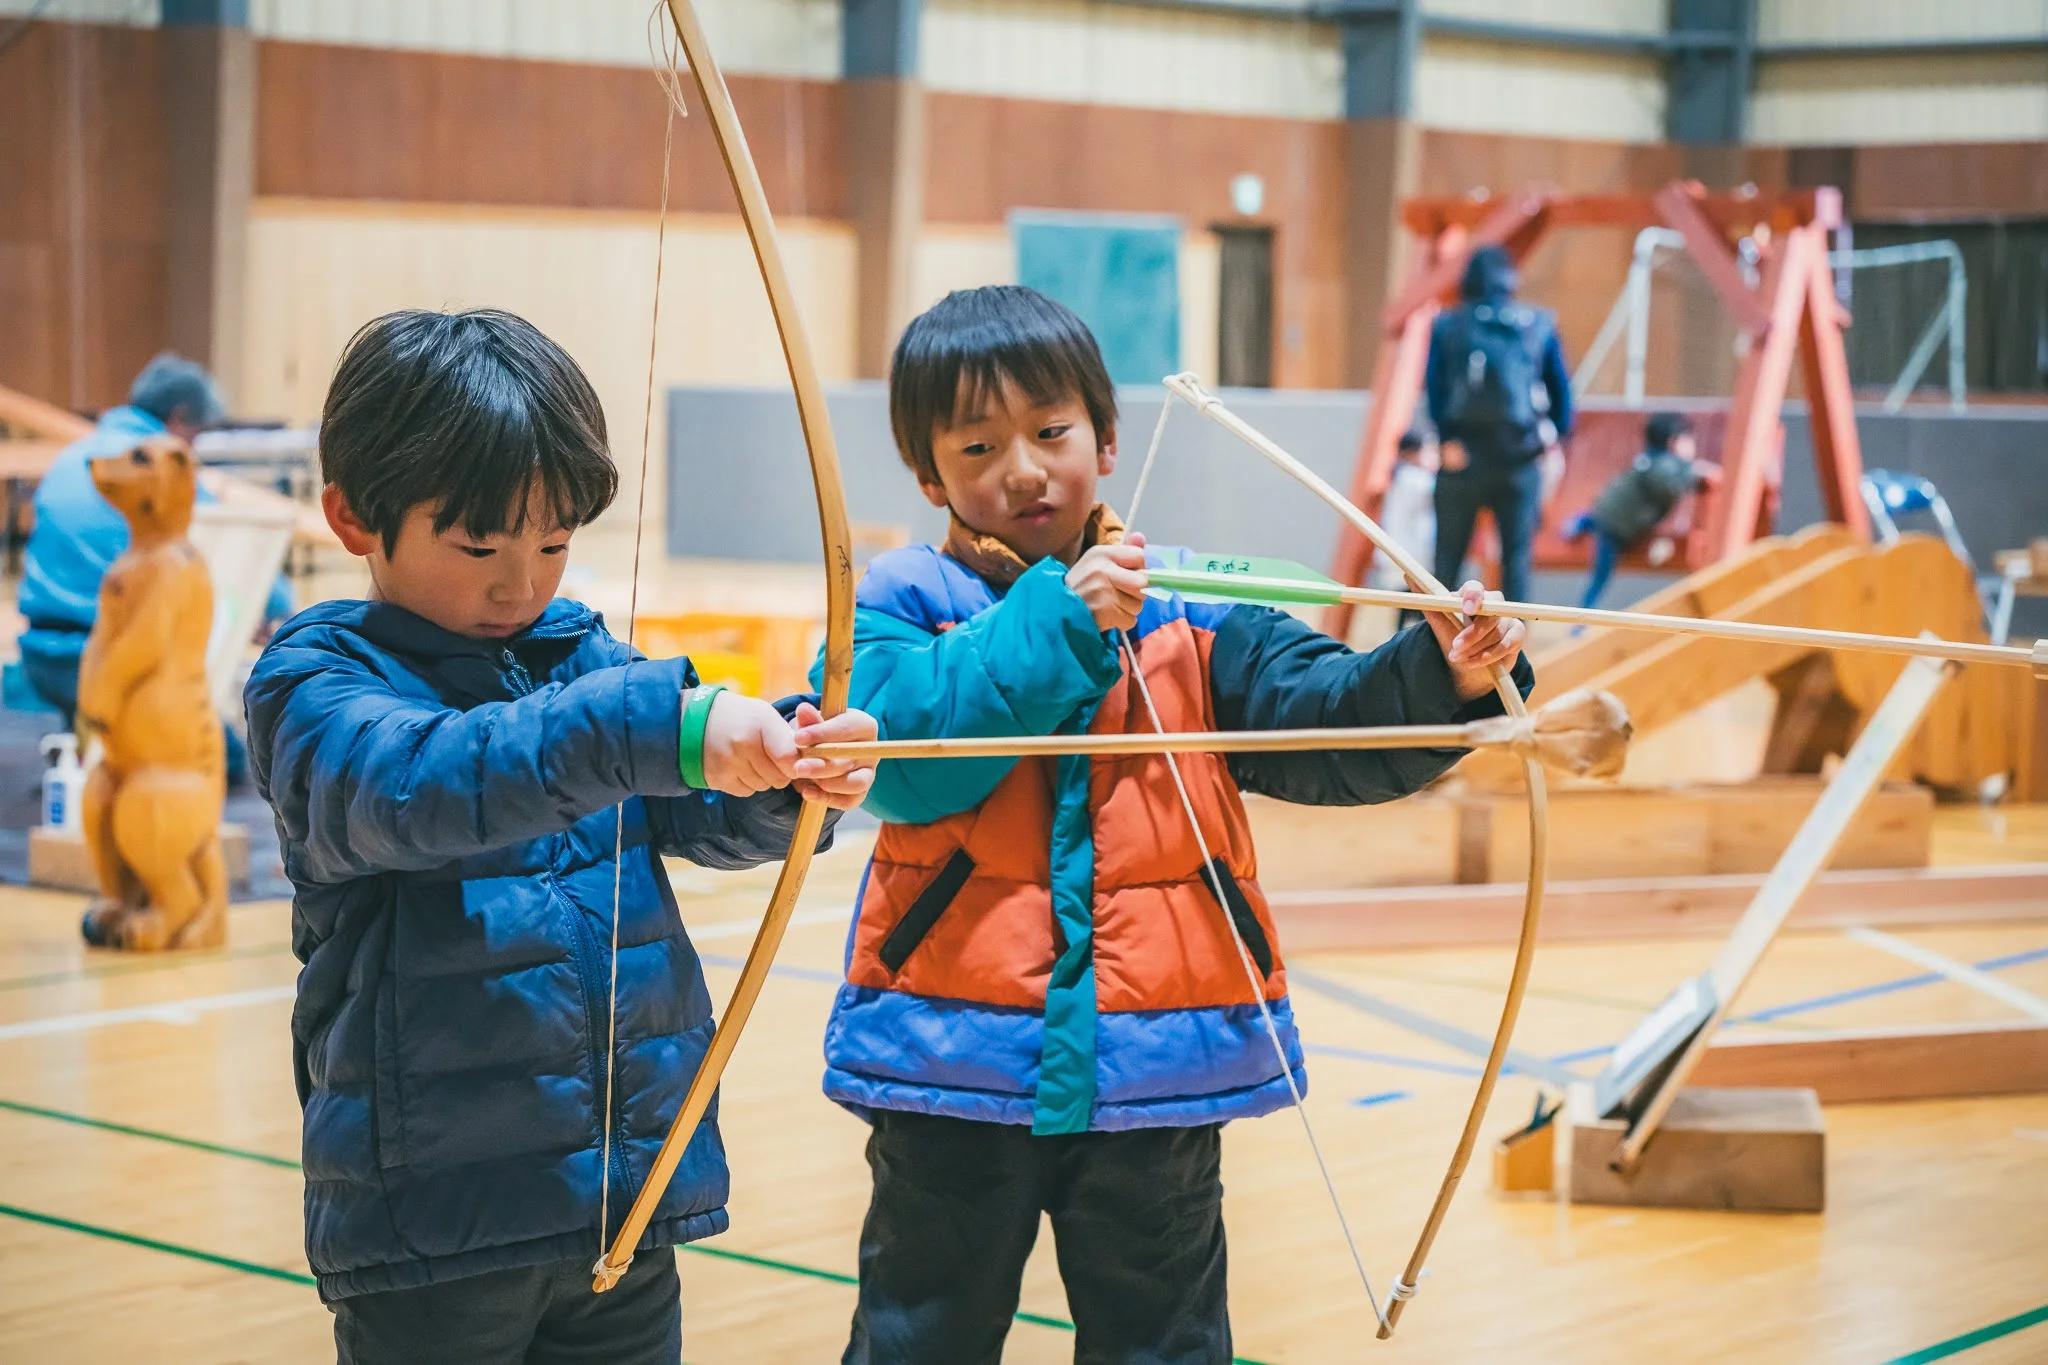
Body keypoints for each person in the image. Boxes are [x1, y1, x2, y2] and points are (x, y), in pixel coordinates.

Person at [823, 285, 1531, 1364]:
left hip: (1157, 1066)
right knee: (920, 1337)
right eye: (977, 445)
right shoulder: (904, 600)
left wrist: (1438, 674)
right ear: (930, 476)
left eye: (1051, 432)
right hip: (951, 1062)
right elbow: (903, 760)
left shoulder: (1193, 612)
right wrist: (1060, 618)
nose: (1021, 468)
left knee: (1163, 1344)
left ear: (1106, 441)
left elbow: (1328, 725)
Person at [242, 308, 880, 1365]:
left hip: (621, 1201)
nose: (522, 582)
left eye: (552, 542)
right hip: (440, 1222)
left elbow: (689, 806)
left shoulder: (578, 655)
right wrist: (662, 726)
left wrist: (781, 775)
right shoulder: (316, 684)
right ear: (355, 519)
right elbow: (429, 784)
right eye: (479, 544)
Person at [17, 352, 291, 783]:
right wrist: (272, 609)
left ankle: (92, 748)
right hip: (110, 661)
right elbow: (235, 552)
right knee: (226, 761)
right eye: (197, 435)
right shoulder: (157, 468)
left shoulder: (73, 457)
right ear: (180, 417)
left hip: (39, 655)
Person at [1425, 244, 1574, 606]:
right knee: (1517, 559)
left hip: (1463, 455)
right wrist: (1552, 438)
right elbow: (1562, 393)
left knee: (1447, 558)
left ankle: (1435, 643)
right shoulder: (1537, 323)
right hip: (1520, 456)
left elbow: (1435, 389)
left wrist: (1447, 440)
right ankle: (1514, 647)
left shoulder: (1448, 325)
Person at [1565, 411, 1711, 609]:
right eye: (1687, 439)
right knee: (1602, 573)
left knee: (1601, 526)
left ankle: (1585, 521)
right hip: (1615, 525)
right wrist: (1697, 476)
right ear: (1672, 442)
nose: (1691, 445)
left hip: (1624, 520)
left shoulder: (1655, 460)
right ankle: (1583, 615)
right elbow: (1670, 482)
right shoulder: (1663, 466)